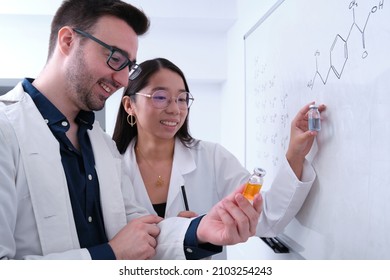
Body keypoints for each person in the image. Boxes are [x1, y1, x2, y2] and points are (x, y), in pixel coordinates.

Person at [0, 0, 262, 260]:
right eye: (115, 58)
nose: (124, 79)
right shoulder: (6, 129)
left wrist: (200, 230)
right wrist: (110, 255)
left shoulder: (101, 144)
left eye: (129, 66)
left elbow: (135, 227)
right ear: (68, 40)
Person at [112, 57, 326, 259]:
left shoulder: (212, 158)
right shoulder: (110, 167)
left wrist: (295, 153)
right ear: (130, 105)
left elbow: (267, 216)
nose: (175, 109)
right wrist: (186, 232)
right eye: (160, 97)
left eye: (182, 99)